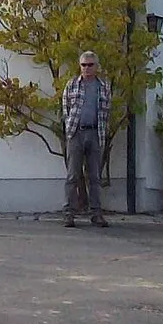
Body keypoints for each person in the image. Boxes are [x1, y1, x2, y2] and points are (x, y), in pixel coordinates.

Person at [62, 50, 110, 227]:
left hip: (95, 133)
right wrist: (70, 130)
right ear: (79, 66)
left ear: (96, 66)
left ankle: (96, 213)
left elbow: (106, 110)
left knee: (95, 176)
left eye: (90, 65)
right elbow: (65, 108)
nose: (87, 68)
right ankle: (69, 213)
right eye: (84, 65)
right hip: (76, 133)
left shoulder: (103, 86)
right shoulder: (72, 84)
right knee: (73, 175)